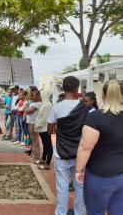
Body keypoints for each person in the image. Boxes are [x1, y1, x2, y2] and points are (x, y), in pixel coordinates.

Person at [75, 80, 123, 215]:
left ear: (103, 95)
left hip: (100, 176)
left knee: (95, 212)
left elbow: (85, 147)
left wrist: (78, 170)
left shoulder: (96, 117)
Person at [47, 76, 87, 215]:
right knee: (80, 186)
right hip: (80, 154)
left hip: (61, 153)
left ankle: (61, 212)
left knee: (62, 186)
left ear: (63, 89)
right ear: (77, 89)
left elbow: (49, 130)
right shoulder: (83, 108)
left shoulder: (56, 107)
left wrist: (59, 130)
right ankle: (80, 212)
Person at [34, 91, 53, 169]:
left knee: (49, 146)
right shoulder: (43, 104)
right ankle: (43, 159)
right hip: (41, 128)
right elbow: (39, 116)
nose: (40, 96)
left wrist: (37, 125)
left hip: (45, 128)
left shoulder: (48, 105)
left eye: (41, 95)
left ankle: (48, 163)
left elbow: (45, 118)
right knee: (45, 145)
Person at [25, 90, 41, 162]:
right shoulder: (33, 103)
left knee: (35, 140)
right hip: (30, 122)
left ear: (38, 96)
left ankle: (36, 156)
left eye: (33, 95)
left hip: (34, 123)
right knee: (33, 139)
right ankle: (33, 154)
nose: (32, 97)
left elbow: (28, 111)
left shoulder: (38, 104)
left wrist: (26, 109)